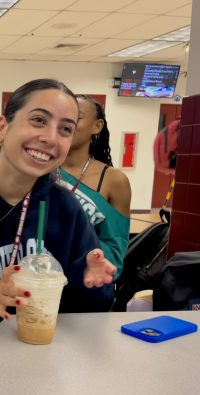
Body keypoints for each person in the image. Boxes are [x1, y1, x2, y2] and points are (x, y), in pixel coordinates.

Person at [0, 79, 116, 323]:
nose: (51, 138)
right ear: (2, 127)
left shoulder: (66, 207)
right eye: (39, 120)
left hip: (38, 347)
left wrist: (85, 278)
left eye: (65, 129)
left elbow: (95, 308)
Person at [58, 95, 131, 278]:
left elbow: (115, 253)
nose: (66, 122)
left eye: (76, 116)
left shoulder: (114, 180)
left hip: (88, 285)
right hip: (42, 281)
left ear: (96, 126)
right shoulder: (39, 171)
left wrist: (73, 239)